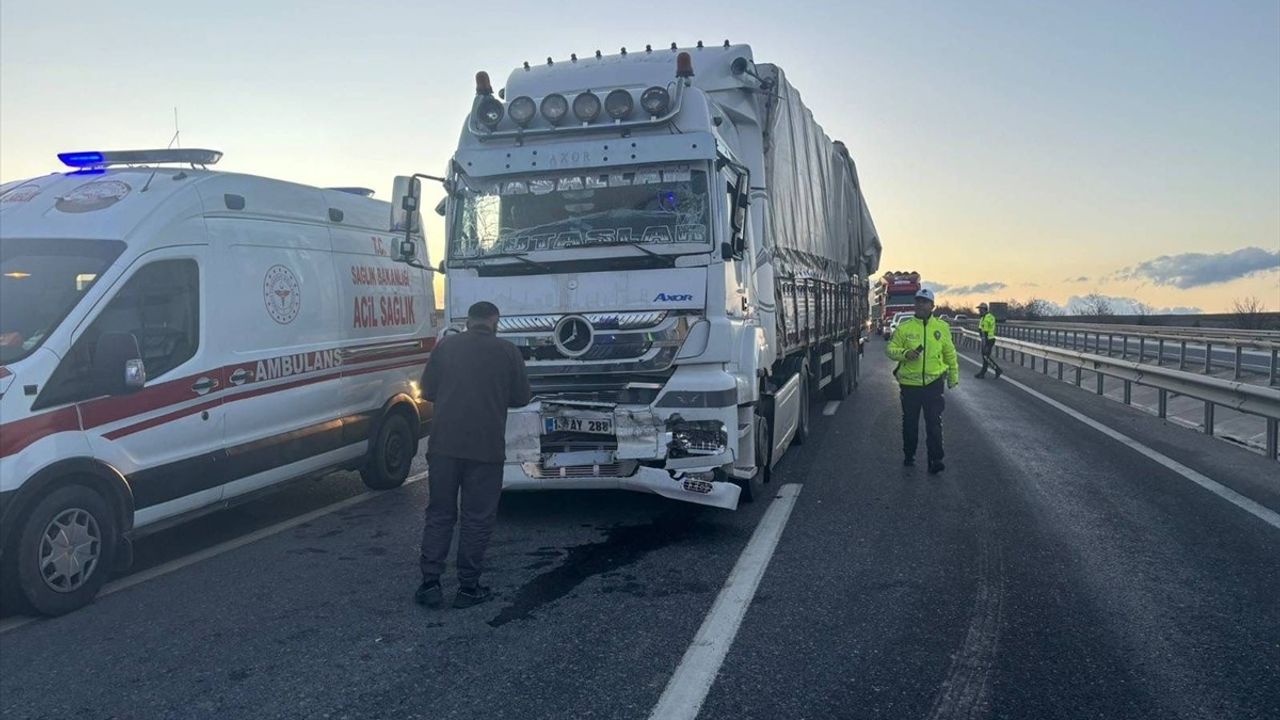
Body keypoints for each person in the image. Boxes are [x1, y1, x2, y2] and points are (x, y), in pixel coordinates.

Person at [415, 301, 531, 609]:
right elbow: (521, 397)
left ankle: (429, 583)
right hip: (485, 448)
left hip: (443, 446)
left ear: (469, 321)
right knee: (477, 517)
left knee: (439, 513)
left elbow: (427, 391)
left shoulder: (446, 348)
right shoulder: (508, 352)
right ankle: (468, 588)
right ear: (495, 321)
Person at [886, 288, 959, 474]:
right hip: (910, 386)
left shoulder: (941, 328)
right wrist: (904, 354)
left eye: (924, 302)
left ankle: (935, 459)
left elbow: (949, 354)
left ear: (932, 306)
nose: (920, 305)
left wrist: (953, 377)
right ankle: (909, 455)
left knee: (934, 423)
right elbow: (890, 349)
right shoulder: (905, 328)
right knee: (910, 423)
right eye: (918, 301)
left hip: (934, 384)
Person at [974, 302, 1003, 379]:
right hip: (984, 339)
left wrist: (985, 343)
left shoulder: (989, 317)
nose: (979, 311)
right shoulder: (982, 318)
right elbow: (980, 329)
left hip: (989, 339)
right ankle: (983, 373)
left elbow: (985, 331)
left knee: (986, 357)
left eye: (980, 309)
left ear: (984, 309)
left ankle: (997, 369)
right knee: (985, 357)